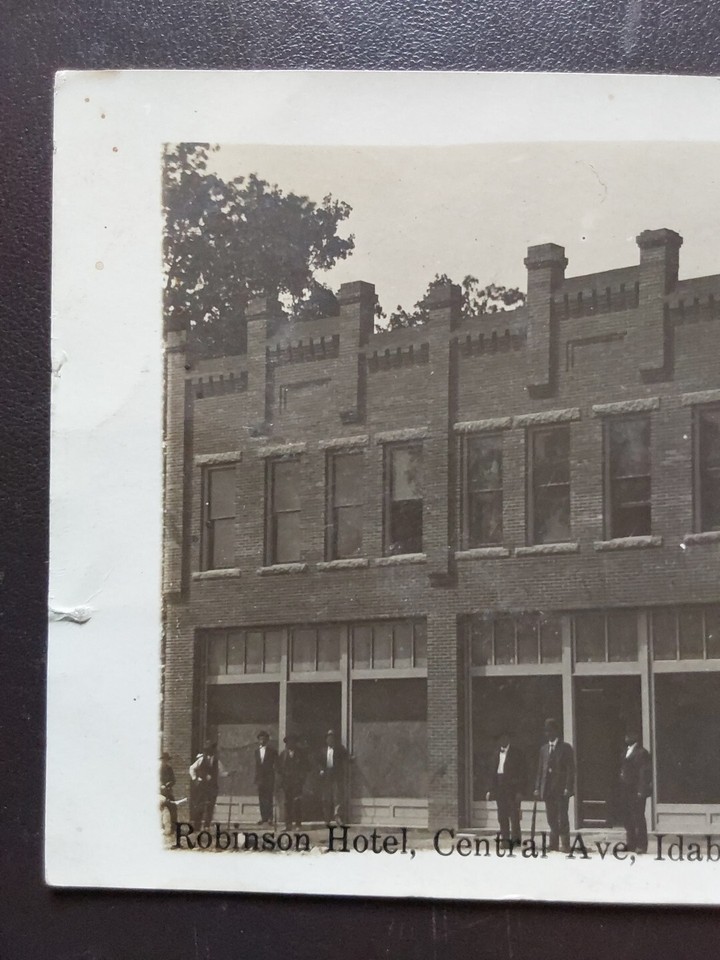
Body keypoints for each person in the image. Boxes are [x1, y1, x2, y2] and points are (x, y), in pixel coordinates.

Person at [534, 718, 575, 852]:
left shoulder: (566, 748)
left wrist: (568, 788)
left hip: (561, 789)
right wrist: (537, 787)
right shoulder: (544, 749)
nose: (548, 734)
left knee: (562, 816)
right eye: (546, 731)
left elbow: (570, 770)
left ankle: (565, 844)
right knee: (551, 817)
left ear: (556, 731)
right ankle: (553, 844)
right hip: (547, 789)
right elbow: (540, 770)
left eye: (550, 731)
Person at [486, 729, 526, 847]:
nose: (502, 741)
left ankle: (516, 840)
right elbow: (491, 773)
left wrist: (520, 791)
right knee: (502, 816)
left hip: (512, 789)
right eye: (500, 739)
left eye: (504, 738)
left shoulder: (517, 754)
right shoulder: (495, 753)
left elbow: (523, 774)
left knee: (514, 815)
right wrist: (490, 789)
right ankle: (505, 840)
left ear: (508, 739)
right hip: (500, 788)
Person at [619, 729, 652, 854]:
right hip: (625, 790)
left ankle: (641, 845)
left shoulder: (641, 753)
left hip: (636, 790)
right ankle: (631, 843)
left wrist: (641, 790)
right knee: (627, 817)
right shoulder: (625, 751)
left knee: (638, 817)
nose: (627, 737)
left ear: (636, 736)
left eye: (629, 735)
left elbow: (644, 773)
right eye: (626, 735)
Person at [189, 740, 227, 830]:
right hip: (202, 786)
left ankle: (207, 826)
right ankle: (197, 826)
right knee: (200, 806)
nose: (209, 751)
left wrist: (228, 774)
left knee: (210, 806)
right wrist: (195, 778)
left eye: (211, 749)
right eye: (207, 749)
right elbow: (191, 768)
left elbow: (221, 773)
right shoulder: (201, 759)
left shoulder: (217, 762)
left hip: (212, 787)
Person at [319, 729, 349, 826]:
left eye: (332, 738)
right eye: (328, 738)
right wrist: (321, 770)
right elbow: (318, 762)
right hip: (327, 774)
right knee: (326, 797)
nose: (330, 740)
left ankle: (337, 816)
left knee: (337, 796)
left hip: (336, 774)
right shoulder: (323, 750)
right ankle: (327, 818)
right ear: (326, 740)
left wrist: (351, 759)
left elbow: (346, 756)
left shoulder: (339, 749)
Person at [278, 734, 307, 830]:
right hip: (287, 783)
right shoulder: (283, 754)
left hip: (297, 783)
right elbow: (279, 769)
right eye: (289, 742)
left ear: (295, 743)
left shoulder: (301, 754)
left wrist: (301, 778)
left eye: (293, 742)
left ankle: (298, 824)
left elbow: (307, 767)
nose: (290, 744)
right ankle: (288, 824)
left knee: (297, 803)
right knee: (287, 804)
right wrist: (281, 780)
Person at [254, 730, 278, 825]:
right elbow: (257, 766)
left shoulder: (272, 751)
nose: (262, 741)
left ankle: (270, 818)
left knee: (269, 797)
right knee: (261, 798)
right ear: (258, 740)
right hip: (260, 778)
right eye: (260, 739)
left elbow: (276, 764)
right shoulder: (256, 752)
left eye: (264, 739)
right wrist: (256, 778)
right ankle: (263, 817)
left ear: (267, 740)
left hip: (269, 777)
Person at [160, 751, 177, 829]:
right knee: (160, 808)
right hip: (160, 793)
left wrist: (169, 784)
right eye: (163, 760)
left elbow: (173, 780)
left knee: (173, 807)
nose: (165, 761)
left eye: (166, 760)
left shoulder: (169, 768)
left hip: (168, 791)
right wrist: (161, 785)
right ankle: (160, 826)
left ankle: (174, 826)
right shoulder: (158, 769)